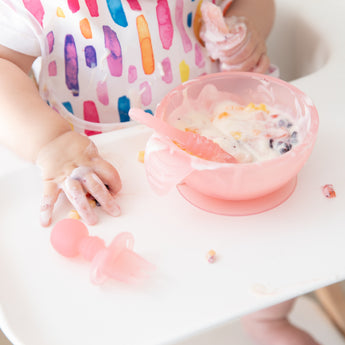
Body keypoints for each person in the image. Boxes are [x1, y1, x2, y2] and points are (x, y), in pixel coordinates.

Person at [0, 1, 321, 345]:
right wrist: (51, 142)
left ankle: (267, 318)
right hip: (97, 166)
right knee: (133, 282)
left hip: (217, 142)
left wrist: (246, 29)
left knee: (265, 236)